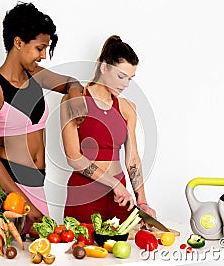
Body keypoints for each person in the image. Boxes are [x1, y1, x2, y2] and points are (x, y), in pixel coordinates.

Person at [0, 2, 85, 233]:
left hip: (36, 186)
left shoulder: (37, 76)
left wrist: (76, 96)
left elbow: (71, 82)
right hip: (4, 190)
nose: (43, 56)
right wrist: (23, 204)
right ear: (18, 42)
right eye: (40, 48)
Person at [61, 35, 156, 224]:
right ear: (104, 67)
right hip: (84, 194)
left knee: (125, 251)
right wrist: (113, 184)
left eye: (130, 79)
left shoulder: (127, 108)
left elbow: (133, 159)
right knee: (83, 251)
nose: (125, 84)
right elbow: (73, 157)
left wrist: (142, 201)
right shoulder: (75, 101)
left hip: (120, 198)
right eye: (121, 76)